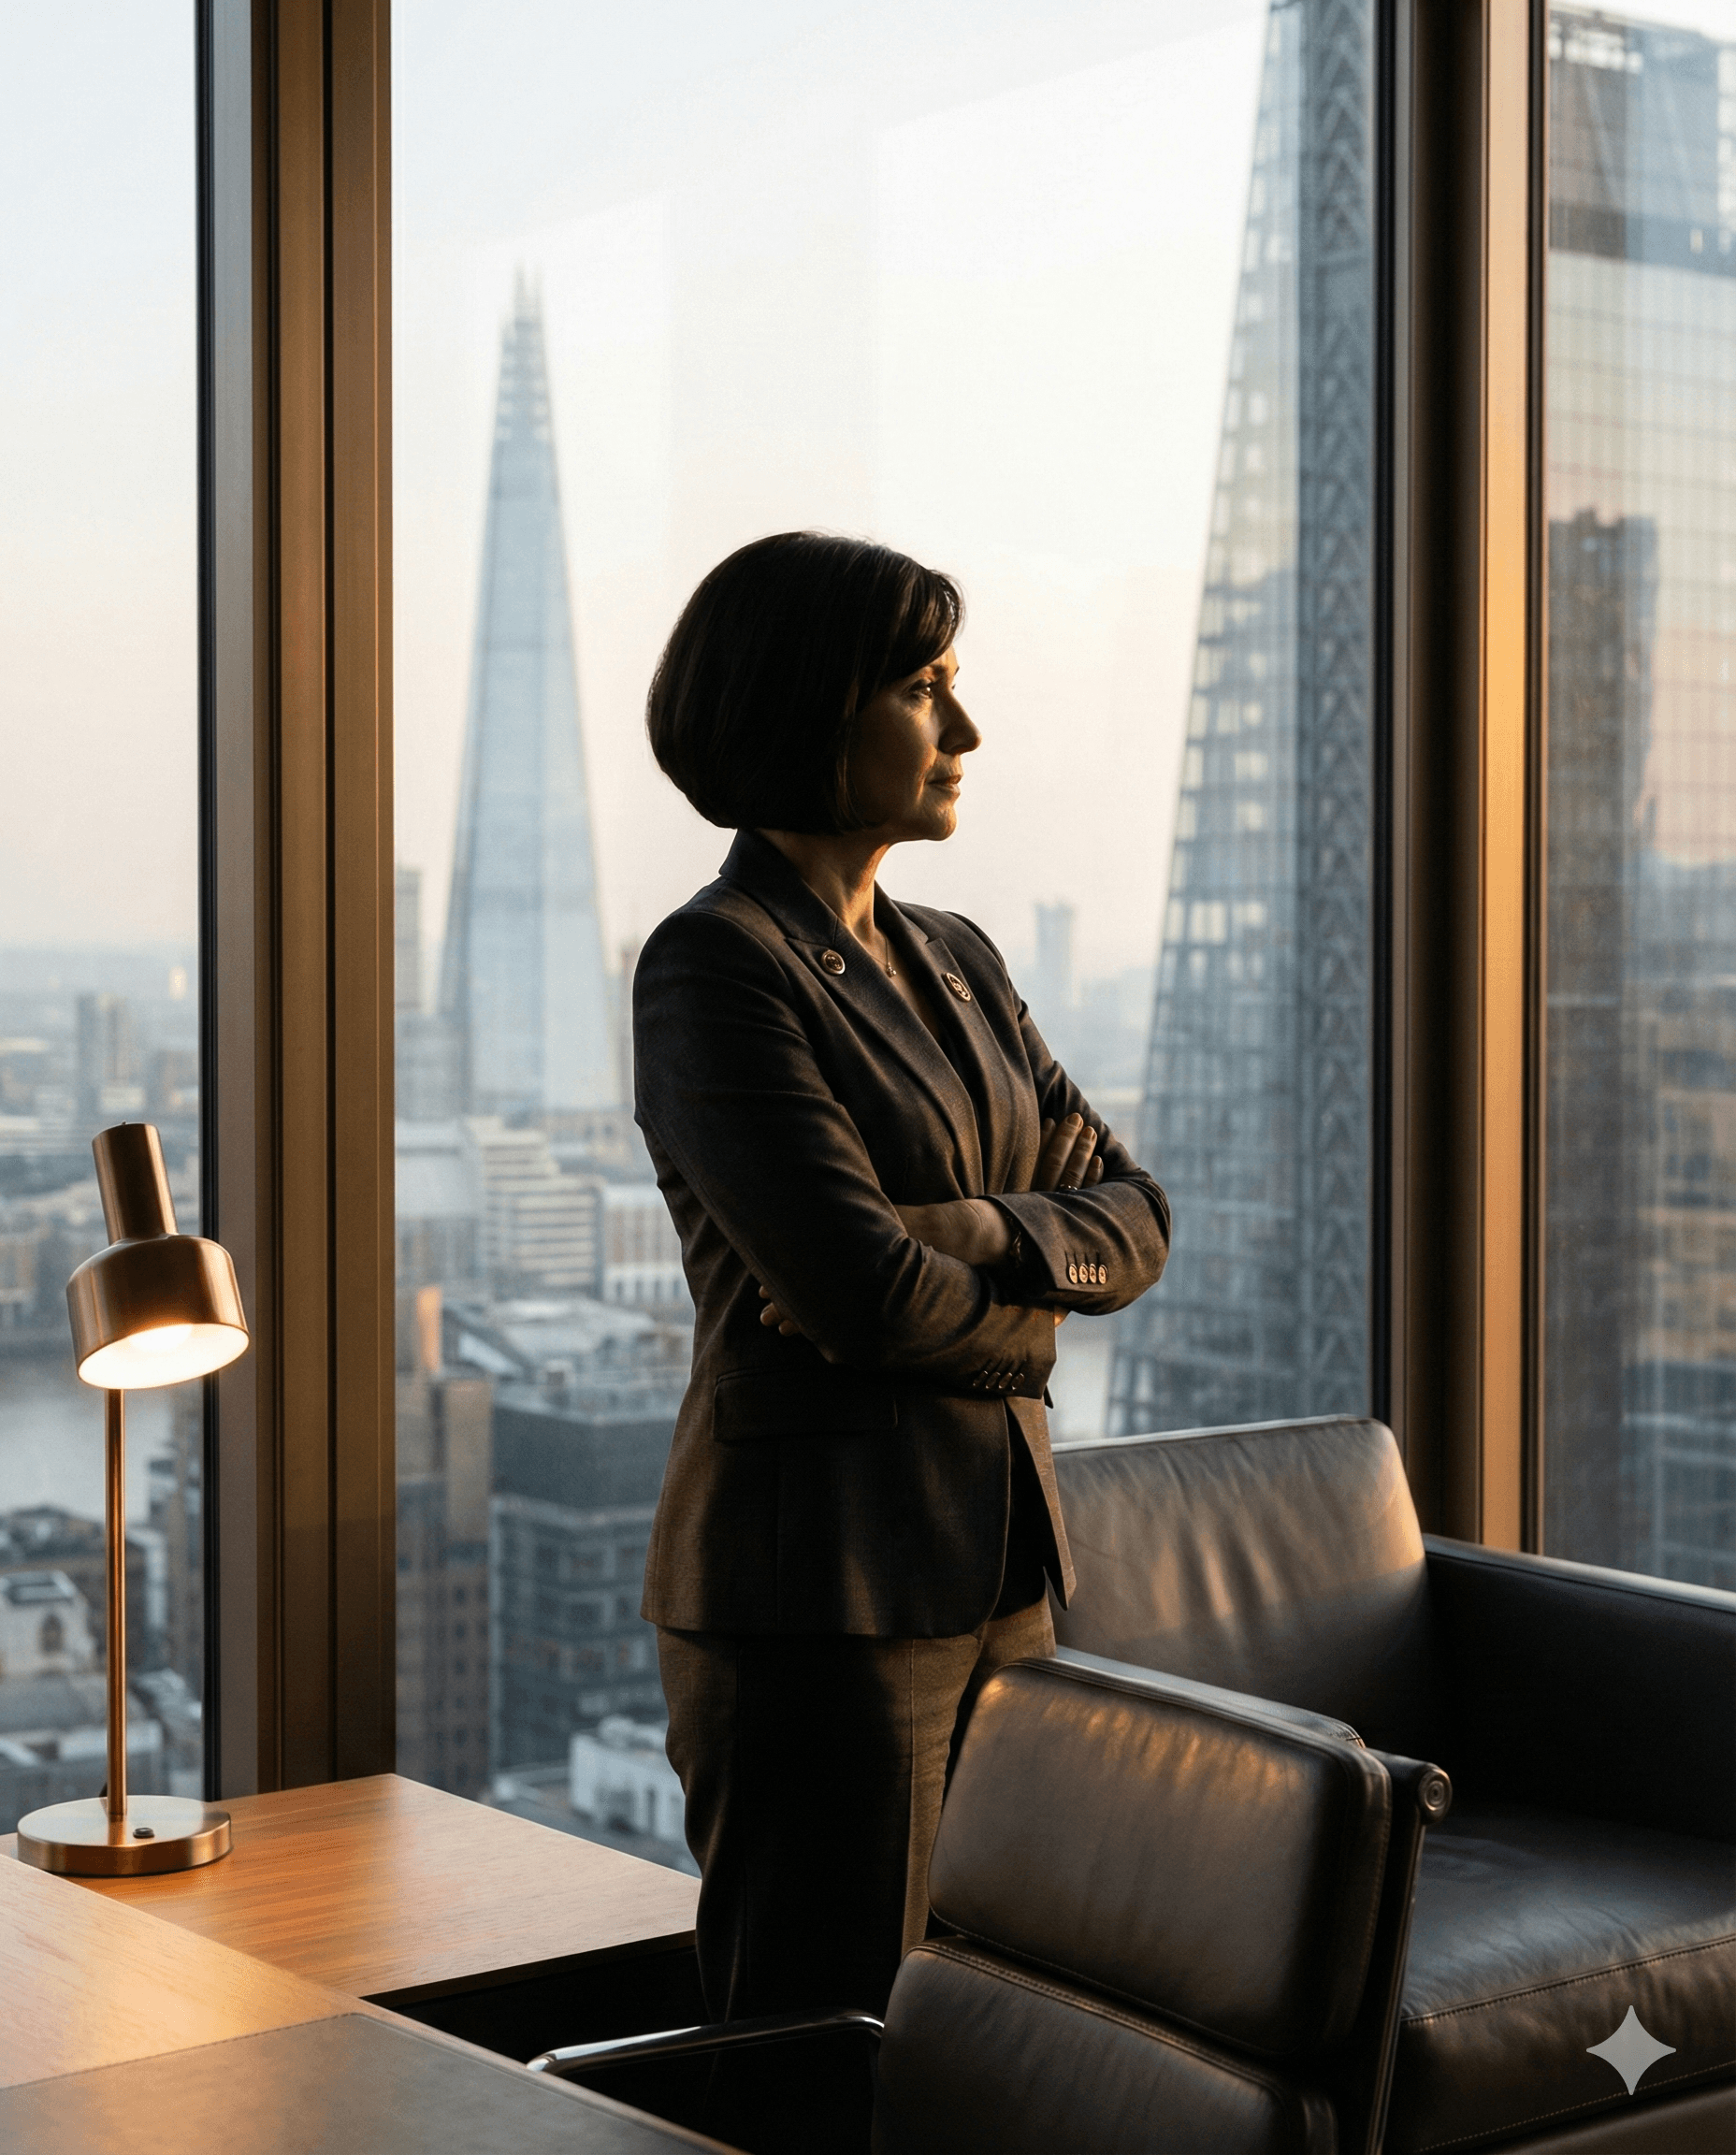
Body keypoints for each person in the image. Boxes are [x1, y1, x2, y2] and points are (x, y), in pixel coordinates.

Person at [634, 530, 1170, 2029]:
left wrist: (975, 1236)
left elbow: (1137, 1210)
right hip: (824, 1597)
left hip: (1002, 1570)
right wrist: (1015, 1270)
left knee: (989, 2023)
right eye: (927, 690)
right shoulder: (714, 965)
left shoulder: (959, 954)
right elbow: (861, 1289)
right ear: (814, 708)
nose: (967, 731)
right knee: (829, 2034)